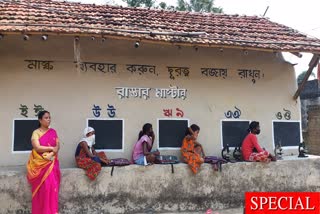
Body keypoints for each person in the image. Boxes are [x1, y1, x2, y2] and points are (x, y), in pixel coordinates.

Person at [26, 110, 61, 214]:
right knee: (44, 188)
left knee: (53, 186)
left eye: (49, 117)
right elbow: (37, 147)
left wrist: (54, 151)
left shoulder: (53, 131)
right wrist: (51, 149)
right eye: (46, 118)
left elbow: (58, 145)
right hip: (39, 164)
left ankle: (52, 211)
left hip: (51, 163)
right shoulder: (36, 132)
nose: (49, 120)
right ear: (40, 120)